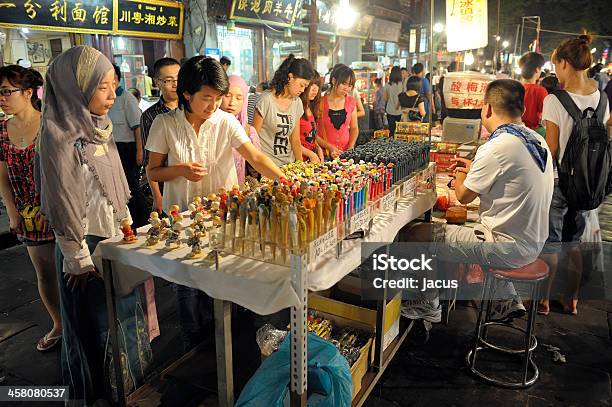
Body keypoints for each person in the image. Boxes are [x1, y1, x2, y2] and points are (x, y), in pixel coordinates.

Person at [36, 45, 151, 404]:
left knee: (124, 321)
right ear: (76, 87)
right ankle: (100, 396)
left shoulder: (99, 128)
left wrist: (127, 225)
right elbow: (61, 201)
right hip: (82, 249)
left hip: (113, 239)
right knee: (96, 329)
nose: (112, 95)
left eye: (113, 85)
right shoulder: (57, 138)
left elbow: (115, 186)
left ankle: (131, 389)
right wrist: (78, 259)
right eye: (103, 86)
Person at [146, 57, 284, 350]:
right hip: (183, 219)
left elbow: (255, 157)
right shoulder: (165, 124)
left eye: (218, 98)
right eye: (207, 98)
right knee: (186, 286)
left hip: (222, 217)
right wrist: (180, 170)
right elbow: (153, 171)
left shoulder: (225, 122)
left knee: (221, 282)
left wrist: (287, 182)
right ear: (186, 94)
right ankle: (191, 347)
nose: (214, 105)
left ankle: (223, 344)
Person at [401, 79, 554, 323]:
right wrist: (474, 168)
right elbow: (513, 177)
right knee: (473, 225)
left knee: (416, 235)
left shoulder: (497, 146)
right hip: (534, 241)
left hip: (506, 248)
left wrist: (461, 174)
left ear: (487, 109)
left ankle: (426, 304)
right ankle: (504, 298)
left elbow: (462, 196)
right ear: (522, 111)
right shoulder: (535, 139)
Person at [540, 34, 611, 316]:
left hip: (560, 183)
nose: (555, 71)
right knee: (573, 242)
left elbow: (552, 148)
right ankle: (571, 300)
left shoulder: (555, 101)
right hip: (590, 182)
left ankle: (543, 300)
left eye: (556, 65)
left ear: (566, 63)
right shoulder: (602, 98)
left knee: (551, 243)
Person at [0, 65, 61, 352]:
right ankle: (59, 324)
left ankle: (79, 325)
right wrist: (12, 211)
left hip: (59, 210)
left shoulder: (50, 123)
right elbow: (1, 174)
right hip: (27, 215)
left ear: (27, 93)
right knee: (44, 274)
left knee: (72, 272)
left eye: (6, 91)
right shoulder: (1, 130)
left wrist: (54, 208)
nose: (1, 98)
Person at [253, 54, 314, 166]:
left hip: (288, 165)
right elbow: (253, 137)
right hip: (267, 166)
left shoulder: (297, 103)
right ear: (290, 77)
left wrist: (300, 167)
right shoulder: (266, 100)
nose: (303, 90)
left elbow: (295, 140)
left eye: (305, 87)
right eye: (301, 85)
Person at [108, 64, 147, 226]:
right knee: (119, 188)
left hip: (128, 149)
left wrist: (140, 152)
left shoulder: (126, 98)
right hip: (112, 148)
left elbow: (138, 127)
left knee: (131, 187)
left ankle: (142, 220)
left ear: (117, 79)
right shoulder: (107, 99)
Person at [141, 57, 180, 213]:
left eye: (178, 78)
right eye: (169, 80)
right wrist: (157, 196)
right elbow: (148, 161)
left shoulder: (192, 109)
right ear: (157, 82)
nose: (175, 84)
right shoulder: (150, 116)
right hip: (166, 185)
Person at [221, 75, 262, 184]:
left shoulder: (249, 131)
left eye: (239, 98)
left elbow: (255, 164)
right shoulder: (209, 125)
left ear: (244, 101)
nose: (232, 102)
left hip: (237, 191)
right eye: (227, 95)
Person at [318, 64, 359, 156]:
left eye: (350, 85)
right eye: (344, 84)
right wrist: (330, 147)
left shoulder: (351, 102)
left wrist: (351, 147)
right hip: (324, 155)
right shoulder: (320, 103)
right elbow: (313, 133)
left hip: (345, 154)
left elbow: (354, 128)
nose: (346, 88)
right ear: (334, 81)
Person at [518, 52, 548, 136]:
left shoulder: (515, 88)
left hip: (514, 131)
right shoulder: (540, 90)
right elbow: (546, 116)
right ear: (537, 69)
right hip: (532, 134)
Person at [299, 71, 324, 162]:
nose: (315, 89)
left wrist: (318, 149)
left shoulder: (311, 108)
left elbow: (312, 136)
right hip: (299, 161)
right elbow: (291, 141)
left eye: (317, 85)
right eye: (311, 85)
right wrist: (311, 154)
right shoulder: (296, 108)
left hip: (311, 161)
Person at [383, 66, 404, 137]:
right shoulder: (402, 84)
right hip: (401, 111)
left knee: (391, 130)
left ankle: (392, 145)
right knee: (400, 131)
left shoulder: (387, 85)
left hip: (390, 110)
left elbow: (385, 99)